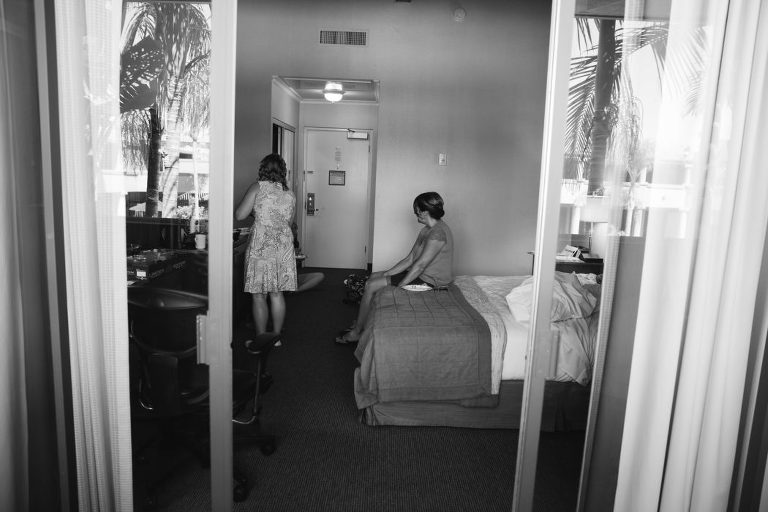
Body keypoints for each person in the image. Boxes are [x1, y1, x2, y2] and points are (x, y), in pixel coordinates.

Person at [335, 191, 453, 344]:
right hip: (421, 274)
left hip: (432, 282)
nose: (414, 212)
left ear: (424, 211)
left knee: (371, 285)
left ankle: (357, 332)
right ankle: (362, 322)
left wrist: (399, 285)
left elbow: (420, 266)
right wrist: (386, 275)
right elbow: (410, 259)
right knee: (373, 277)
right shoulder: (426, 230)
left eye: (416, 208)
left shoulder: (438, 233)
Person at [235, 153, 297, 336]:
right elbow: (288, 222)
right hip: (283, 246)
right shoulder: (290, 194)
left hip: (261, 245)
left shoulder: (257, 187)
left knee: (258, 294)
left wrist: (257, 213)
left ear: (262, 169)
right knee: (277, 294)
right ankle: (276, 338)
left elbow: (240, 215)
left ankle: (262, 338)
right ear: (282, 171)